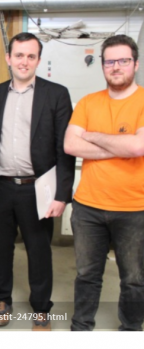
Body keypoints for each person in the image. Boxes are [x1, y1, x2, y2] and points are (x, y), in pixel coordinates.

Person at [0, 32, 75, 331]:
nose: (24, 61)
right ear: (8, 58)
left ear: (38, 60)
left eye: (31, 56)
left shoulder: (56, 94)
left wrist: (61, 195)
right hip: (0, 186)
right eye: (19, 55)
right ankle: (2, 299)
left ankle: (41, 308)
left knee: (39, 250)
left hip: (38, 188)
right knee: (1, 248)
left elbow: (65, 149)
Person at [64, 34, 144, 331]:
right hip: (88, 207)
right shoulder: (88, 102)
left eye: (123, 60)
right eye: (110, 62)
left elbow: (138, 146)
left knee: (134, 278)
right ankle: (81, 327)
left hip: (135, 208)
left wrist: (93, 136)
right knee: (86, 275)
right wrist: (122, 146)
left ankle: (131, 330)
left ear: (135, 64)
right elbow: (70, 145)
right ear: (102, 65)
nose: (116, 67)